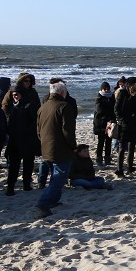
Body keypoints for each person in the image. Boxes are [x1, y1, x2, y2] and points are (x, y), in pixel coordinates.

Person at [35, 81, 78, 217]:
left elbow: (38, 130)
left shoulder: (43, 107)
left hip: (46, 147)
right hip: (60, 148)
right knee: (59, 177)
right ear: (62, 93)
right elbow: (68, 131)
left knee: (55, 175)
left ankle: (53, 200)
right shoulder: (64, 106)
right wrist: (73, 147)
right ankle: (43, 204)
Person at [4, 86, 38, 195]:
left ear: (22, 95)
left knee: (28, 165)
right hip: (14, 141)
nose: (15, 96)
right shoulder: (11, 106)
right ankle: (10, 188)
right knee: (14, 166)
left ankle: (26, 185)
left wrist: (27, 133)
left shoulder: (29, 106)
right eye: (13, 95)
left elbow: (34, 123)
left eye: (17, 94)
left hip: (27, 140)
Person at [114, 76, 136, 177]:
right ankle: (119, 170)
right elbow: (117, 108)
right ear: (130, 85)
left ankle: (130, 168)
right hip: (125, 125)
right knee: (122, 148)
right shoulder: (123, 93)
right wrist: (121, 120)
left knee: (132, 147)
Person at [93, 82, 115, 166]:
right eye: (104, 89)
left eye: (107, 89)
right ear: (101, 89)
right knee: (101, 142)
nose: (106, 90)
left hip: (110, 123)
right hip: (100, 124)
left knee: (109, 141)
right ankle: (99, 158)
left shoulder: (112, 97)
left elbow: (114, 109)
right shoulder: (99, 97)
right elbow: (99, 110)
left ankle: (107, 158)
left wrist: (112, 119)